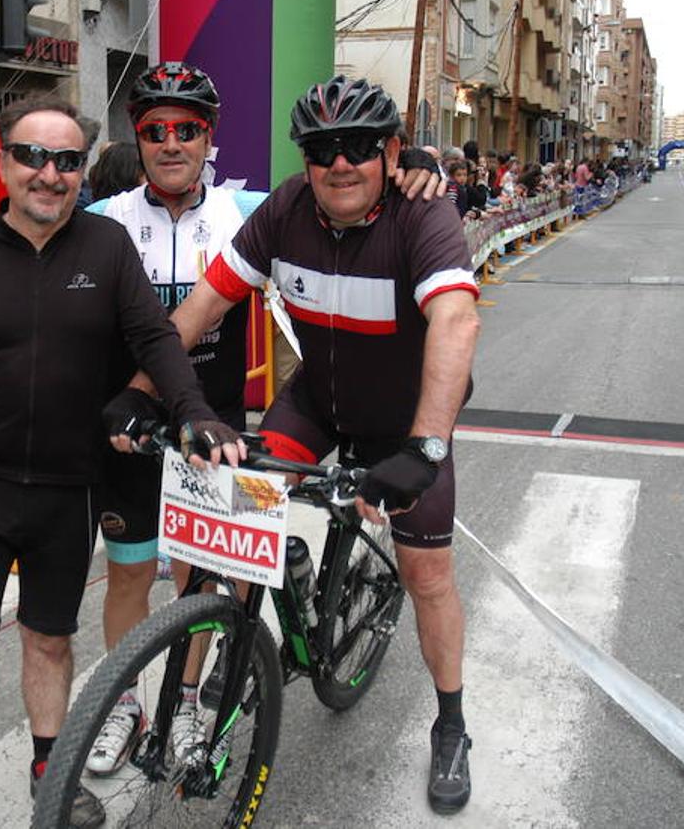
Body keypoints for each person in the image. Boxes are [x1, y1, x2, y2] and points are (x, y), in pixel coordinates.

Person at [0, 63, 445, 773]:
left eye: (188, 129)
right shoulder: (105, 220)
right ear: (135, 139)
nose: (172, 143)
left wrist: (412, 164)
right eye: (154, 130)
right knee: (129, 577)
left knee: (201, 582)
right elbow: (31, 212)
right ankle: (125, 706)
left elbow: (342, 183)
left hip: (214, 427)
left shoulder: (250, 210)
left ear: (210, 137)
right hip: (130, 429)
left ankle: (185, 700)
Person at [110, 76, 480, 815]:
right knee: (238, 516)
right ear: (303, 159)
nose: (338, 164)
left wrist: (426, 449)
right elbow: (203, 304)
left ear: (390, 152)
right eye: (320, 150)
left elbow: (456, 322)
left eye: (357, 148)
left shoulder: (420, 214)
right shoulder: (284, 209)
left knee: (427, 573)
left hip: (402, 421)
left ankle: (451, 722)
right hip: (316, 403)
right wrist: (142, 392)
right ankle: (246, 635)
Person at [0, 96, 242, 829]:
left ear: (81, 171)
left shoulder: (104, 245)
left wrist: (195, 412)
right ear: (2, 164)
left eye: (65, 161)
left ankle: (49, 769)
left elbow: (156, 341)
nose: (48, 174)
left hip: (69, 487)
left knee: (50, 640)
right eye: (31, 156)